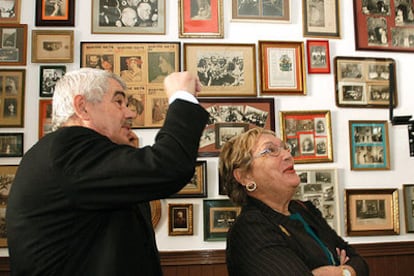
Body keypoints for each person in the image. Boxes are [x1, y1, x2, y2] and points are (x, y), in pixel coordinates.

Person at [6, 68, 209, 276]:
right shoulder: (67, 149)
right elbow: (167, 166)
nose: (130, 113)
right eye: (118, 102)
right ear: (82, 107)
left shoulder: (74, 158)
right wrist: (181, 98)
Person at [219, 128, 369, 276]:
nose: (287, 155)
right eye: (270, 150)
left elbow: (359, 262)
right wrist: (344, 270)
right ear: (245, 177)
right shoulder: (249, 228)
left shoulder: (304, 210)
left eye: (285, 148)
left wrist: (343, 273)